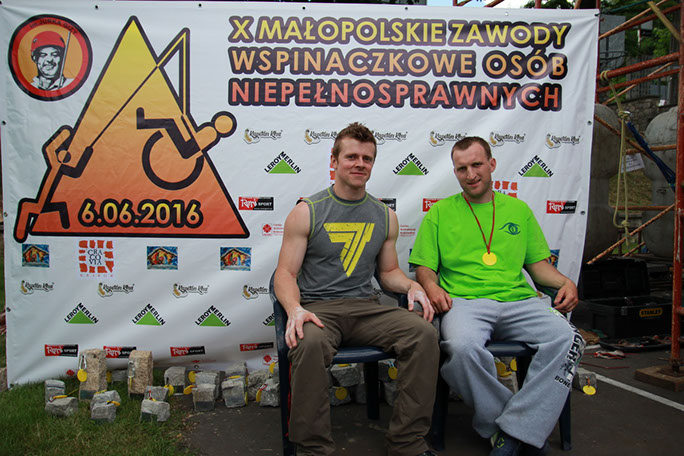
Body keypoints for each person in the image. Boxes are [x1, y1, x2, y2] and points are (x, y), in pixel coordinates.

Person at [409, 137, 584, 456]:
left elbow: (539, 267)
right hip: (464, 303)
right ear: (455, 172)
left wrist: (565, 282)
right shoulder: (440, 213)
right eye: (462, 168)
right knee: (461, 348)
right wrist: (432, 287)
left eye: (477, 165)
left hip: (520, 301)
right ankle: (520, 430)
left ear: (491, 164)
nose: (470, 174)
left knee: (568, 339)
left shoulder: (518, 210)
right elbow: (424, 267)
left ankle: (512, 432)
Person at [274, 122, 439, 456]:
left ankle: (407, 443)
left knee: (423, 334)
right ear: (334, 161)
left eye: (367, 158)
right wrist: (295, 309)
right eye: (351, 156)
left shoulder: (385, 216)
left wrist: (412, 285)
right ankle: (313, 450)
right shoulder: (307, 211)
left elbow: (388, 272)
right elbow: (285, 274)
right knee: (308, 343)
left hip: (366, 308)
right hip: (319, 310)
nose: (359, 163)